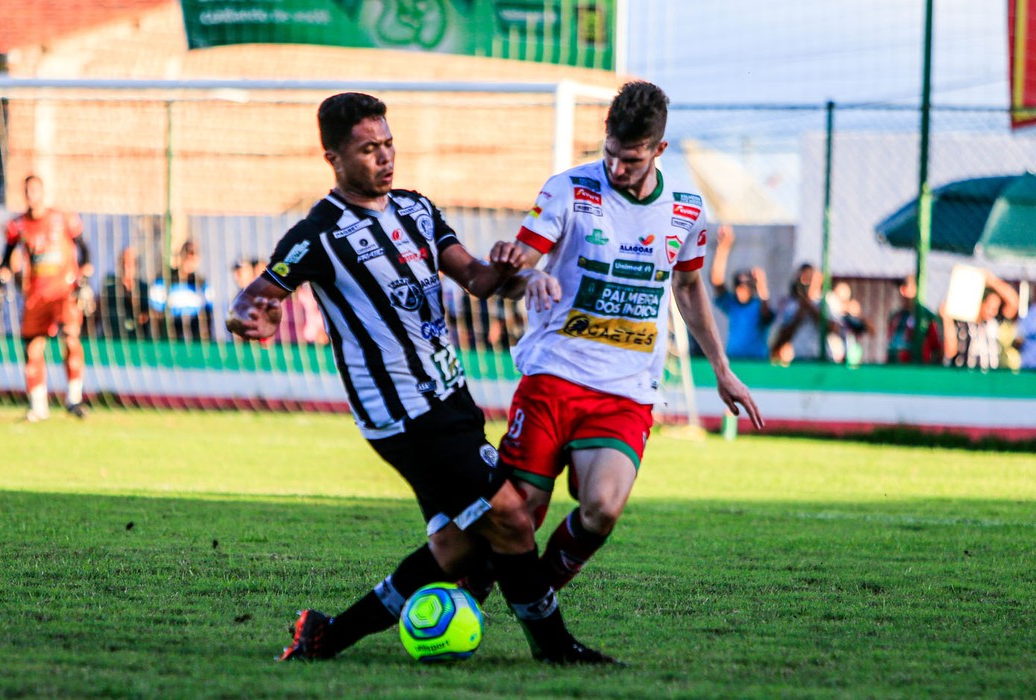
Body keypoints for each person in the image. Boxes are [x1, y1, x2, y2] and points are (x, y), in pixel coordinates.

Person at [226, 92, 614, 664]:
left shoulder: (416, 210)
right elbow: (256, 294)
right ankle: (555, 649)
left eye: (388, 145)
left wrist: (516, 273)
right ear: (333, 157)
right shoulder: (319, 233)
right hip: (403, 414)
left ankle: (327, 635)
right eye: (368, 150)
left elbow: (478, 280)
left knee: (456, 550)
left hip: (451, 399)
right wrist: (248, 316)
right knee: (510, 518)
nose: (384, 158)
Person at [492, 81, 763, 594]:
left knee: (603, 511)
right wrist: (530, 277)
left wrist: (723, 371)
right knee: (518, 513)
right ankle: (470, 593)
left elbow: (687, 287)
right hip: (555, 373)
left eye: (632, 160)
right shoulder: (567, 190)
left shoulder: (685, 210)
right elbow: (506, 276)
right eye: (611, 154)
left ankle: (536, 596)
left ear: (659, 150)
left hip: (626, 388)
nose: (617, 169)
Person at [0, 175, 92, 421]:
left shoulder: (63, 218)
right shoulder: (17, 225)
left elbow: (85, 250)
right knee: (33, 349)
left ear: (42, 192)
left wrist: (85, 272)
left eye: (35, 190)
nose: (32, 195)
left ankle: (74, 398)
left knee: (71, 338)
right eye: (27, 190)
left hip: (64, 291)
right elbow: (6, 259)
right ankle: (38, 406)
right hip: (36, 295)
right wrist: (3, 276)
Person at [709, 223, 773, 360]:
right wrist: (723, 247)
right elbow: (716, 280)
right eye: (738, 285)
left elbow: (767, 314)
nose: (741, 290)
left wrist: (762, 285)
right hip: (734, 360)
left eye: (746, 285)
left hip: (758, 362)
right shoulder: (732, 304)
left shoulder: (758, 305)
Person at [941, 271, 1019, 370]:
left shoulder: (993, 323)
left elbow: (1013, 302)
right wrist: (947, 320)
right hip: (966, 377)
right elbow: (950, 351)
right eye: (990, 307)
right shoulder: (962, 323)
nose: (993, 312)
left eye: (996, 308)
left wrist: (991, 281)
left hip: (989, 380)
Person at [149, 240, 215, 342]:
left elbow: (209, 314)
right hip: (171, 335)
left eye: (193, 258)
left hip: (195, 335)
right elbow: (156, 313)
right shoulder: (164, 281)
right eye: (186, 256)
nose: (189, 261)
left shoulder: (202, 285)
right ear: (180, 257)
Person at [770, 263, 826, 364]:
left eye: (810, 278)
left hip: (823, 359)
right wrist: (798, 316)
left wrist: (809, 305)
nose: (806, 283)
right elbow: (780, 337)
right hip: (798, 358)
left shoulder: (826, 302)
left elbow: (832, 328)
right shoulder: (790, 305)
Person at [886, 274, 943, 364]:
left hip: (919, 371)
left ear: (917, 289)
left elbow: (938, 350)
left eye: (905, 287)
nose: (901, 292)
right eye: (900, 287)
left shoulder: (928, 317)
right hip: (896, 370)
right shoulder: (896, 317)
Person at [100, 246, 151, 339]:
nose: (126, 267)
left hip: (138, 339)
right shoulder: (110, 288)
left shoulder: (144, 288)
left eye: (131, 263)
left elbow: (147, 313)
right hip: (115, 338)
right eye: (124, 262)